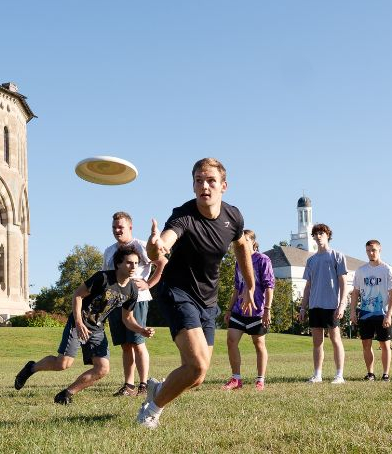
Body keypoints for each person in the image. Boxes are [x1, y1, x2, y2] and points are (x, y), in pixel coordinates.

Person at [136, 158, 256, 430]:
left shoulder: (233, 216)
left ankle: (159, 389)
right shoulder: (184, 216)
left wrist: (249, 285)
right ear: (193, 186)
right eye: (199, 181)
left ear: (223, 186)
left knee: (197, 375)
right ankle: (150, 411)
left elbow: (241, 248)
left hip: (208, 300)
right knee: (197, 366)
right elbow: (164, 243)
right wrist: (155, 248)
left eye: (211, 180)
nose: (205, 186)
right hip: (178, 293)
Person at [14, 246, 156, 405]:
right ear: (118, 264)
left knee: (102, 368)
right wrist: (79, 322)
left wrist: (142, 330)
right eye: (129, 263)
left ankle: (66, 394)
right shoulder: (102, 278)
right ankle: (31, 368)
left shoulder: (132, 290)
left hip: (97, 329)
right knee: (63, 364)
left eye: (136, 263)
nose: (134, 267)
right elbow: (77, 295)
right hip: (78, 323)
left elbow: (127, 318)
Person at [103, 211, 154, 397]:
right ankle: (129, 385)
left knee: (138, 342)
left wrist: (149, 283)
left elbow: (162, 262)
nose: (117, 230)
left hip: (137, 300)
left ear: (130, 227)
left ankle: (144, 384)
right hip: (116, 302)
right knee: (125, 345)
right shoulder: (109, 251)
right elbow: (106, 277)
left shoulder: (140, 246)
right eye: (114, 227)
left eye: (121, 227)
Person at [221, 230, 275, 391]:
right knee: (231, 340)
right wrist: (229, 309)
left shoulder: (263, 259)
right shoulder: (239, 261)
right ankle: (236, 379)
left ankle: (260, 380)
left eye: (245, 240)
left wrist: (267, 309)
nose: (241, 244)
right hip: (239, 310)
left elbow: (269, 286)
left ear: (252, 241)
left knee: (258, 343)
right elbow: (237, 287)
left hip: (257, 310)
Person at [297, 223, 349, 384]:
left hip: (332, 305)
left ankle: (339, 375)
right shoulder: (311, 260)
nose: (318, 236)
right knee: (317, 342)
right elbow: (308, 286)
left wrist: (342, 304)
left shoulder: (337, 256)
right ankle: (317, 375)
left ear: (328, 236)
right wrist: (302, 307)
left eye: (321, 233)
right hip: (315, 306)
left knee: (335, 339)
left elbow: (343, 283)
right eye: (316, 234)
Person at [349, 240, 392, 381]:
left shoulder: (387, 269)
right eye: (368, 250)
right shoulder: (361, 270)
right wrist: (352, 311)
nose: (371, 253)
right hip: (365, 314)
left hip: (382, 314)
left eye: (374, 250)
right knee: (366, 343)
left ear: (380, 250)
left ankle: (385, 374)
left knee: (385, 344)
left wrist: (389, 314)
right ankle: (370, 373)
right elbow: (355, 292)